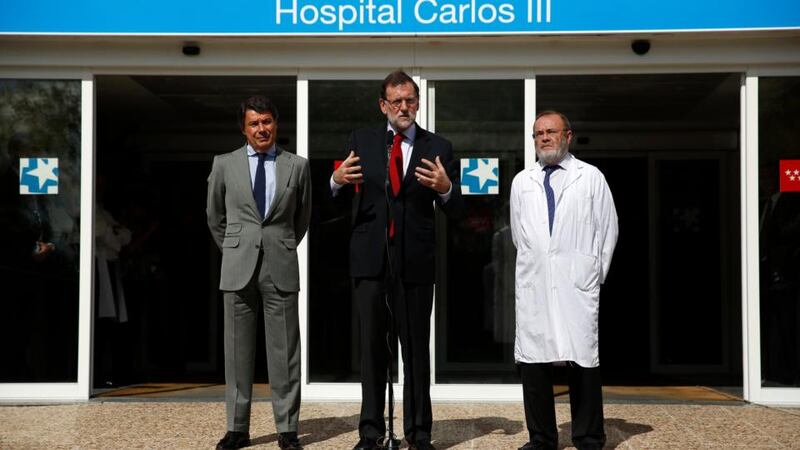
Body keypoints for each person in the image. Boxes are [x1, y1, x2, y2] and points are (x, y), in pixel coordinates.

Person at [331, 70, 463, 450]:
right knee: (372, 351)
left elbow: (458, 211)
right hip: (371, 262)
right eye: (396, 101)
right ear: (383, 105)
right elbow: (335, 204)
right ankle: (370, 433)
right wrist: (336, 181)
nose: (404, 107)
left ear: (418, 103)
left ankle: (419, 433)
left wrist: (447, 189)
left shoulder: (438, 145)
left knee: (416, 353)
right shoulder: (363, 140)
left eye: (410, 100)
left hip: (415, 264)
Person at [207, 96, 311, 450]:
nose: (261, 129)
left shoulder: (297, 166)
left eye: (266, 121)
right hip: (237, 267)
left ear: (275, 124)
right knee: (237, 353)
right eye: (254, 123)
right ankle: (237, 428)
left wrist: (278, 245)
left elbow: (302, 218)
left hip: (279, 266)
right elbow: (214, 217)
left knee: (285, 354)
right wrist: (236, 248)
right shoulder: (224, 164)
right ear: (243, 128)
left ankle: (287, 429)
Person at [509, 111, 618, 450]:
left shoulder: (591, 177)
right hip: (536, 282)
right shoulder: (521, 181)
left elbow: (608, 229)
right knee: (534, 360)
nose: (544, 138)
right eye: (538, 133)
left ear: (567, 136)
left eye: (551, 132)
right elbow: (518, 234)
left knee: (582, 358)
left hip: (576, 283)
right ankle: (541, 437)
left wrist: (591, 275)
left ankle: (587, 436)